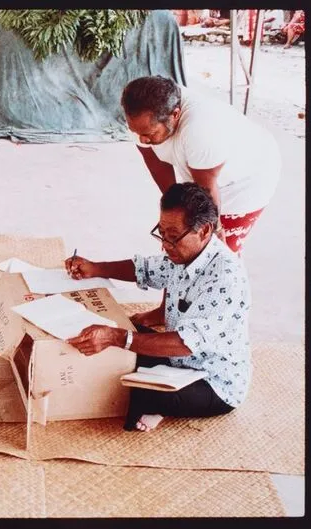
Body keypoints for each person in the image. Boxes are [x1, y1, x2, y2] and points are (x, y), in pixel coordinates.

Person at [64, 183, 251, 432]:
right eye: (161, 233)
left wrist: (117, 338)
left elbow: (185, 344)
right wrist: (95, 267)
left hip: (212, 380)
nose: (165, 245)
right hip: (177, 362)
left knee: (135, 391)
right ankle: (154, 388)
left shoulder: (226, 277)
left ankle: (158, 404)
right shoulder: (183, 253)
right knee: (124, 338)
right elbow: (145, 269)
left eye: (173, 236)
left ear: (204, 231)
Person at [121, 75, 281, 256]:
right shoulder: (140, 116)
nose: (142, 139)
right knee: (180, 249)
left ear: (175, 115)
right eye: (136, 132)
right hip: (202, 169)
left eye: (149, 134)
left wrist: (216, 232)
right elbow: (157, 165)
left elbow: (206, 190)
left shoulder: (200, 129)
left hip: (247, 178)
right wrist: (174, 210)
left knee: (214, 256)